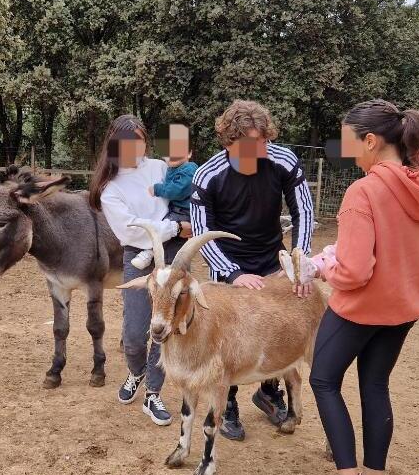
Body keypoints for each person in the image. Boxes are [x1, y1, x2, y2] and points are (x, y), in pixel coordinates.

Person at [294, 100, 419, 475]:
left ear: (370, 141)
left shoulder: (364, 191)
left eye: (349, 143)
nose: (345, 152)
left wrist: (322, 265)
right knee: (375, 385)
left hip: (360, 308)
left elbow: (354, 270)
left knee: (323, 380)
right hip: (405, 308)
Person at [190, 100, 315, 441]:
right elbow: (202, 234)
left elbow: (303, 208)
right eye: (249, 144)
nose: (259, 150)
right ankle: (228, 403)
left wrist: (299, 257)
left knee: (274, 328)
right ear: (228, 142)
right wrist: (232, 274)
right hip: (228, 264)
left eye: (263, 142)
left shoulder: (283, 161)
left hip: (272, 258)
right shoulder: (207, 175)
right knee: (228, 335)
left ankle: (268, 390)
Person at [89, 115, 192, 426]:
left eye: (139, 140)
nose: (135, 148)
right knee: (134, 334)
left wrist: (184, 225)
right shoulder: (110, 188)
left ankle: (153, 393)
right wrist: (174, 226)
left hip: (174, 254)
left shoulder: (161, 167)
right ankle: (137, 372)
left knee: (164, 327)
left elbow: (187, 191)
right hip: (140, 255)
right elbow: (131, 231)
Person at [132, 123, 198, 269]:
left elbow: (176, 191)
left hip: (183, 212)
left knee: (165, 228)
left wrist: (157, 189)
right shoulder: (171, 168)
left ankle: (149, 252)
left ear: (189, 153)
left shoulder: (189, 169)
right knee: (171, 235)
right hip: (176, 210)